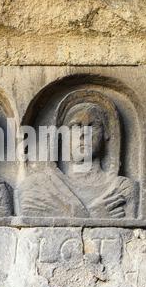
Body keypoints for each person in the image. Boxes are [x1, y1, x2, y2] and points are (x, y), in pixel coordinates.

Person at [19, 90, 137, 219]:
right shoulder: (37, 186)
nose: (83, 134)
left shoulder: (123, 189)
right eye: (75, 126)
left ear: (107, 134)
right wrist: (92, 215)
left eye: (93, 125)